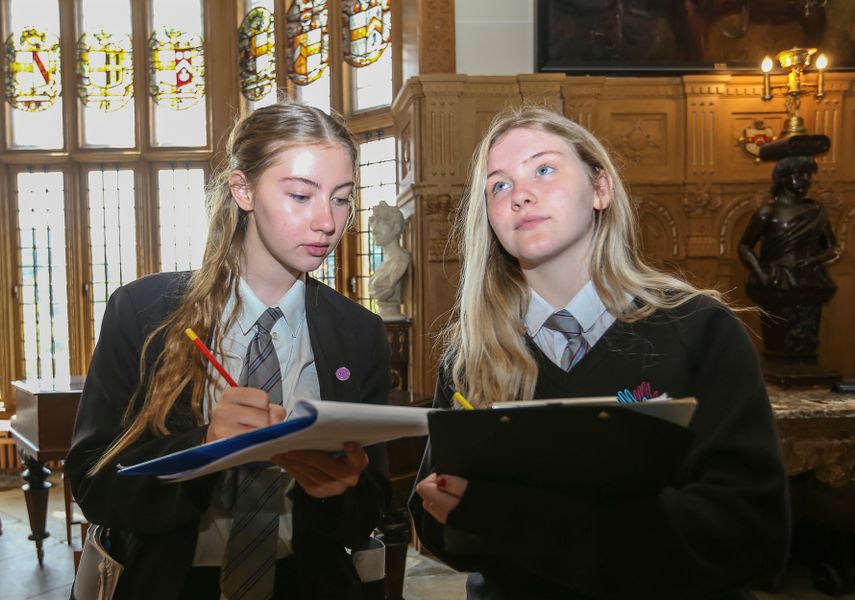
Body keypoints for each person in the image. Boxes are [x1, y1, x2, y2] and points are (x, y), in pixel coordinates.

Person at [410, 105, 790, 599]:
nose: (520, 194)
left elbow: (749, 532)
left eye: (544, 169)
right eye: (498, 186)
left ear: (600, 188)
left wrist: (509, 512)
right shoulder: (472, 355)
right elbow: (435, 523)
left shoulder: (700, 330)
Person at [66, 102, 392, 600]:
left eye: (342, 199)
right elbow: (95, 486)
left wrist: (341, 487)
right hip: (174, 584)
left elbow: (369, 516)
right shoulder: (142, 311)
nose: (328, 221)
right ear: (242, 190)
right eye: (301, 195)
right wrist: (203, 449)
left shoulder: (360, 333)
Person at [738, 154, 840, 357]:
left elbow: (833, 248)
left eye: (809, 175)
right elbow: (744, 246)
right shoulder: (768, 212)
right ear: (783, 177)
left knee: (808, 334)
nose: (805, 179)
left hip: (810, 279)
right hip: (778, 280)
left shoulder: (816, 210)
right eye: (799, 174)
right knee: (778, 340)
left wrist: (816, 260)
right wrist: (760, 273)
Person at [368, 201, 411, 321]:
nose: (374, 229)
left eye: (380, 222)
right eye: (373, 221)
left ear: (396, 228)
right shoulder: (385, 263)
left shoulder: (400, 261)